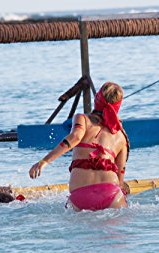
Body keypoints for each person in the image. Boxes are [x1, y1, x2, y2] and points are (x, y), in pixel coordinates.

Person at [29, 82, 129, 211]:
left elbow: (75, 137)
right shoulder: (121, 136)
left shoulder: (83, 119)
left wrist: (45, 161)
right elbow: (120, 177)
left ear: (96, 99)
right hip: (112, 194)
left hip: (80, 196)